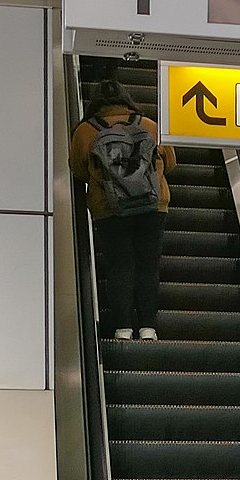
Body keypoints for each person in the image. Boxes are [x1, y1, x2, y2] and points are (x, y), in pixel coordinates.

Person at [69, 77, 172, 340]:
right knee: (148, 265)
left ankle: (123, 328)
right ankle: (148, 327)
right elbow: (169, 161)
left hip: (110, 209)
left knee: (119, 265)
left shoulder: (85, 131)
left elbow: (78, 171)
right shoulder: (149, 125)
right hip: (152, 206)